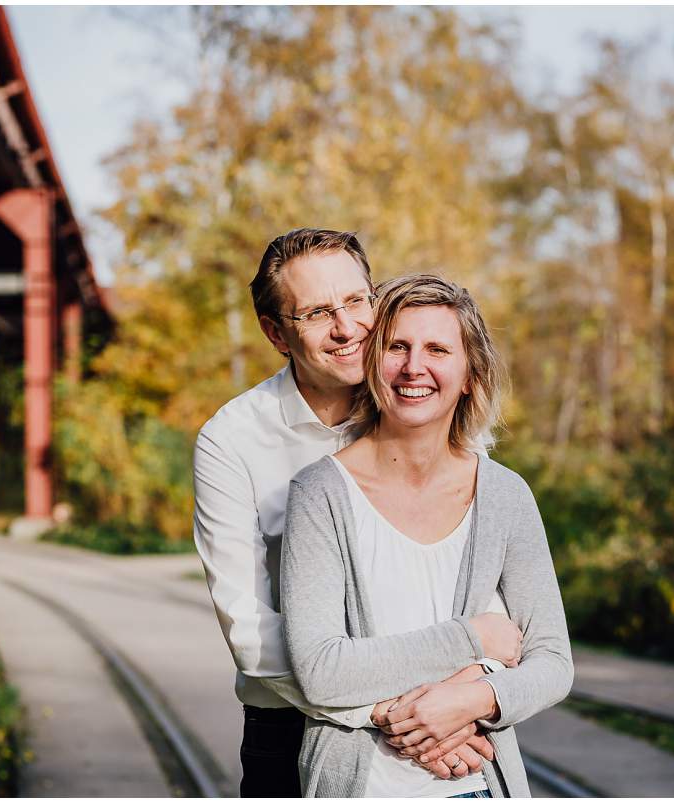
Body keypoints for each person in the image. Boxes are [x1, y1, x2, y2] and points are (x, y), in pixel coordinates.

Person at [193, 231, 528, 797]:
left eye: (355, 302)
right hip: (297, 725)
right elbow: (251, 631)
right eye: (318, 313)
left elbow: (479, 575)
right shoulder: (231, 441)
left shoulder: (420, 400)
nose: (346, 328)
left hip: (446, 711)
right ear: (277, 333)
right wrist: (395, 710)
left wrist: (463, 697)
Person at [280, 274, 574, 797]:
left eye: (438, 348)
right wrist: (474, 638)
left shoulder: (505, 496)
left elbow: (553, 663)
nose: (415, 366)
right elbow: (321, 670)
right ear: (374, 365)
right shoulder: (319, 494)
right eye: (398, 346)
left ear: (468, 375)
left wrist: (472, 700)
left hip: (476, 787)